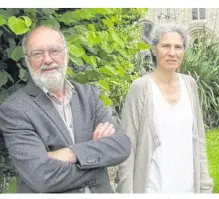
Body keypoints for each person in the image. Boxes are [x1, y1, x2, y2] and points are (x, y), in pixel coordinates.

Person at [0, 26, 131, 193]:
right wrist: (97, 166)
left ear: (66, 54)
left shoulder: (88, 95)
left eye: (54, 50)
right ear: (27, 60)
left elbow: (122, 145)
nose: (47, 60)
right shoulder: (14, 109)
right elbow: (41, 175)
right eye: (38, 54)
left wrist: (71, 153)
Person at [116, 24, 213, 193]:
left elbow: (199, 141)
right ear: (154, 49)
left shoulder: (190, 84)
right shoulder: (140, 88)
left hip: (188, 188)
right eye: (166, 46)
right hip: (153, 188)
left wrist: (205, 184)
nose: (172, 53)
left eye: (178, 47)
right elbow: (128, 146)